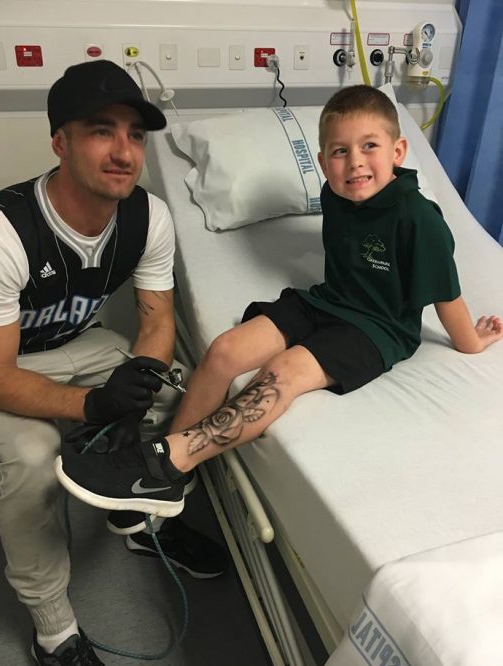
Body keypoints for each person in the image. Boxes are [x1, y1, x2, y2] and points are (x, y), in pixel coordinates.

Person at [57, 84, 503, 521]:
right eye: (339, 152)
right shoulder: (336, 194)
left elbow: (447, 294)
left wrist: (470, 342)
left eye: (370, 146)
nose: (355, 163)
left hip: (376, 329)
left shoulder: (419, 219)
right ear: (323, 160)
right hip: (326, 302)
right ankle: (165, 476)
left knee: (281, 373)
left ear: (399, 152)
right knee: (225, 350)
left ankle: (167, 459)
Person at [0, 59, 226, 666]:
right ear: (59, 140)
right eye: (100, 131)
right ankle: (54, 633)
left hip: (68, 346)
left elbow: (157, 318)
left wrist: (138, 379)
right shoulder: (0, 234)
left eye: (135, 135)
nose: (124, 152)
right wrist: (93, 405)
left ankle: (132, 514)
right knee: (34, 458)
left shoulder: (149, 218)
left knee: (176, 384)